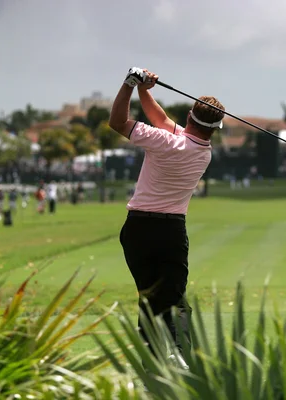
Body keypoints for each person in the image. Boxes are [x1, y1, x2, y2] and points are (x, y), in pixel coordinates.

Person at [109, 67, 225, 366]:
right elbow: (161, 120)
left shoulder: (164, 141)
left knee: (149, 297)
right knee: (174, 297)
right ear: (216, 128)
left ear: (189, 116)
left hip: (138, 230)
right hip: (172, 232)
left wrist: (129, 85)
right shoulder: (203, 151)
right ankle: (178, 355)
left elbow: (117, 122)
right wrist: (145, 89)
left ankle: (157, 360)